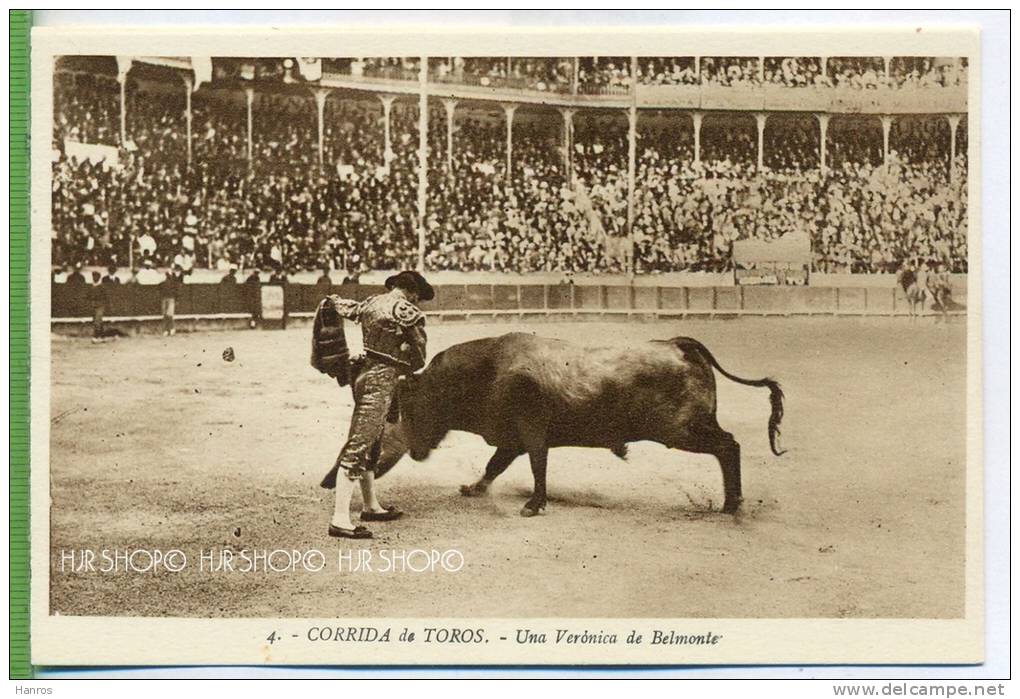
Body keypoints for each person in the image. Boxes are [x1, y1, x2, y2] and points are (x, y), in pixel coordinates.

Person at [320, 270, 434, 539]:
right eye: (418, 297)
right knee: (361, 443)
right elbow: (419, 359)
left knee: (372, 442)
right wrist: (403, 353)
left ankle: (371, 506)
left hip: (361, 375)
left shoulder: (371, 302)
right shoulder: (408, 313)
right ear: (413, 292)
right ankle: (339, 519)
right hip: (382, 381)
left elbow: (340, 306)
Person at [160, 265, 184, 336]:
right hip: (165, 298)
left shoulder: (173, 281)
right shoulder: (164, 281)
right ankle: (167, 329)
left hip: (170, 298)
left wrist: (177, 299)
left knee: (168, 315)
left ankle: (170, 329)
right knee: (166, 315)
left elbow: (177, 290)